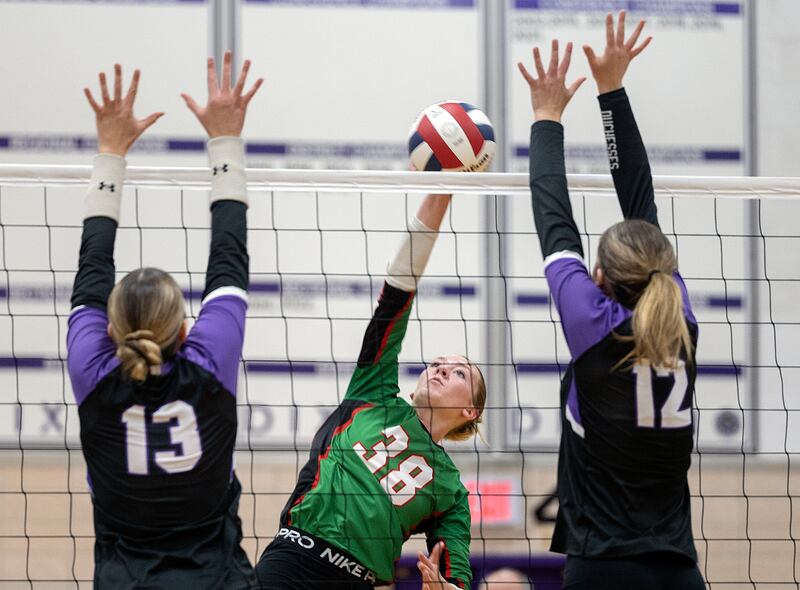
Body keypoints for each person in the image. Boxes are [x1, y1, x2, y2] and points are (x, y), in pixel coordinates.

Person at [517, 11, 705, 590]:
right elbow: (638, 207)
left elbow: (554, 216)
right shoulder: (679, 317)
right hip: (678, 570)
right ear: (663, 268)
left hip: (603, 567)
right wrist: (611, 92)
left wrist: (547, 117)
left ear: (597, 276)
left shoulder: (593, 324)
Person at [66, 53, 262, 588]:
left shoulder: (94, 372)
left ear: (110, 331)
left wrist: (110, 152)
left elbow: (91, 270)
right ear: (184, 332)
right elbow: (229, 255)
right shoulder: (205, 366)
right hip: (217, 580)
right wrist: (225, 139)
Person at [254, 193, 485, 590]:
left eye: (460, 372)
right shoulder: (374, 392)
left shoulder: (449, 490)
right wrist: (439, 194)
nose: (442, 367)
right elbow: (394, 301)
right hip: (293, 561)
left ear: (470, 411)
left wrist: (447, 587)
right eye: (439, 362)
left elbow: (456, 574)